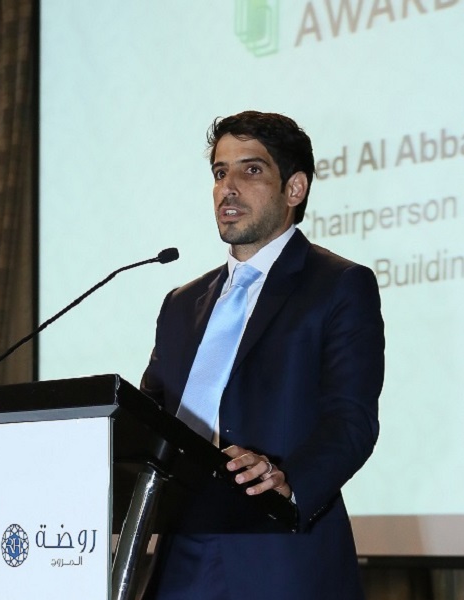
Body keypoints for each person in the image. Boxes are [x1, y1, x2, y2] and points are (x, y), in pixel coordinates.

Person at [140, 111, 385, 600]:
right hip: (179, 555)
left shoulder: (338, 285)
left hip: (280, 555)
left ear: (294, 189)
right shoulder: (181, 304)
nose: (227, 188)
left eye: (250, 170)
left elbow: (351, 420)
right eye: (220, 172)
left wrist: (288, 481)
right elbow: (150, 417)